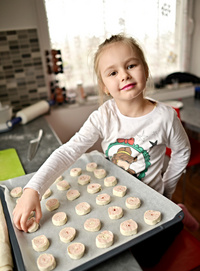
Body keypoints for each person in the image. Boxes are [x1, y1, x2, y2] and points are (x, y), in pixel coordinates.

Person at [13, 34, 199, 235]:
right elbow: (68, 151)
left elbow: (182, 151)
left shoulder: (165, 117)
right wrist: (32, 190)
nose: (124, 75)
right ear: (104, 86)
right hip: (115, 199)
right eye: (112, 73)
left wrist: (167, 189)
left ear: (145, 69)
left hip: (151, 201)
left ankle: (180, 212)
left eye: (131, 66)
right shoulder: (103, 116)